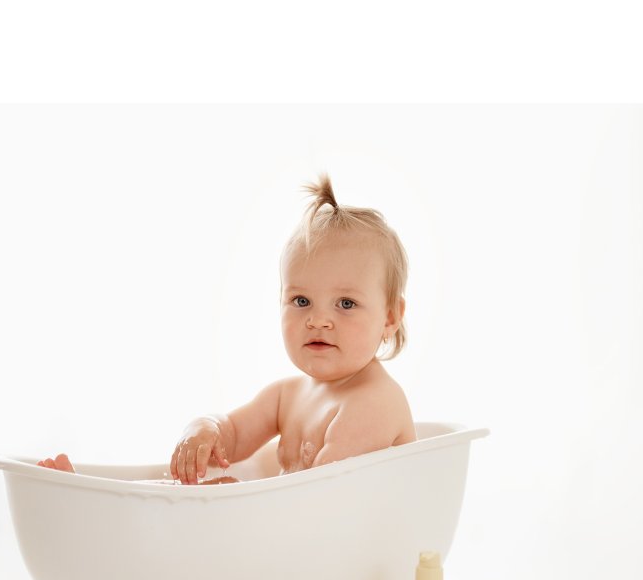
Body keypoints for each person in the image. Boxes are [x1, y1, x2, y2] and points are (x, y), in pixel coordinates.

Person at [38, 174, 416, 483]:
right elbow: (232, 435)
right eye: (301, 301)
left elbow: (319, 498)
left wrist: (227, 497)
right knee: (189, 485)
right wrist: (204, 431)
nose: (318, 320)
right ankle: (97, 492)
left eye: (346, 304)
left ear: (390, 317)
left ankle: (99, 504)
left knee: (212, 494)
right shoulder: (288, 395)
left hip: (341, 540)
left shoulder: (374, 402)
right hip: (300, 532)